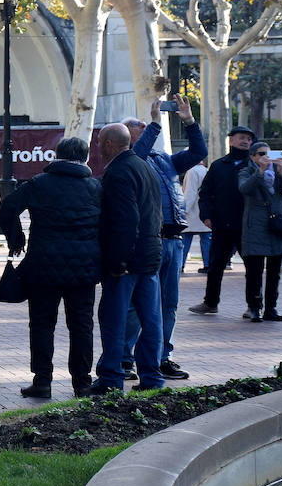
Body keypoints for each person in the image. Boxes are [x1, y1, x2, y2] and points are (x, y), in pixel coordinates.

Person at [0, 137, 101, 398]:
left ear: (57, 155)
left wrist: (16, 237)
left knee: (42, 324)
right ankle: (83, 382)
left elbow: (8, 207)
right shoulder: (95, 187)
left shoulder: (39, 183)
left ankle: (42, 381)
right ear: (85, 158)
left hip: (42, 266)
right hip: (84, 268)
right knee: (81, 325)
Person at [117, 98, 204, 381]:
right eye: (137, 126)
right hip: (149, 241)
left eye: (146, 126)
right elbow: (137, 155)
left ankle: (162, 356)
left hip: (174, 241)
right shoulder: (129, 161)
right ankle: (125, 359)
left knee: (169, 303)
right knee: (136, 304)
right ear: (122, 136)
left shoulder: (164, 161)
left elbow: (199, 152)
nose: (144, 128)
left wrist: (189, 121)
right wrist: (155, 122)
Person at [89, 123, 165, 394]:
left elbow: (124, 220)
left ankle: (110, 378)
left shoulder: (118, 172)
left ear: (109, 143)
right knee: (151, 319)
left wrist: (118, 261)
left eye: (99, 142)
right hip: (151, 254)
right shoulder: (144, 166)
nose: (96, 147)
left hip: (128, 260)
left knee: (113, 318)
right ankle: (152, 377)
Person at [189, 126, 256, 316]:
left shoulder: (254, 166)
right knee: (215, 266)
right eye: (242, 137)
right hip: (222, 225)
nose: (246, 141)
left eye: (249, 139)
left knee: (253, 268)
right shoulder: (218, 165)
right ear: (231, 140)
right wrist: (206, 215)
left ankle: (254, 306)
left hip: (248, 227)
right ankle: (210, 303)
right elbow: (205, 192)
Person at [236, 142, 282, 322]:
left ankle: (271, 308)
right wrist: (261, 171)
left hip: (277, 227)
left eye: (268, 153)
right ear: (252, 157)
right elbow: (245, 189)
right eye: (261, 153)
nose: (266, 156)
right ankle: (254, 307)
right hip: (255, 227)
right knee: (254, 271)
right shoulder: (246, 172)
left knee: (275, 271)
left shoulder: (277, 171)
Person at [182, 160, 211, 273]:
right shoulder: (206, 170)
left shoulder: (192, 171)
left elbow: (190, 192)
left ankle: (181, 264)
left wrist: (184, 210)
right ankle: (208, 264)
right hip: (204, 210)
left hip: (193, 211)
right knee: (206, 239)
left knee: (185, 239)